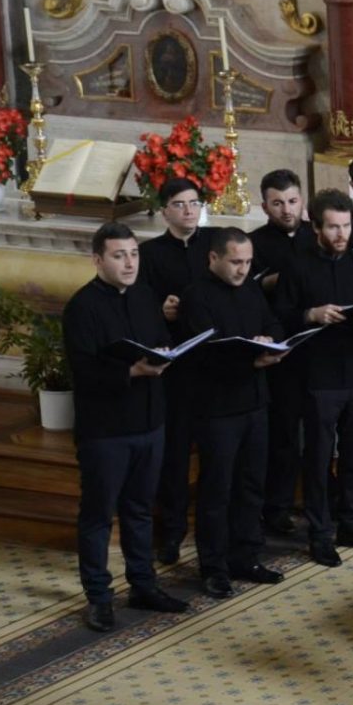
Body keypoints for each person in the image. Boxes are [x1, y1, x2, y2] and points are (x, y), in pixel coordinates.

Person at [63, 223, 191, 631]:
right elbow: (82, 371)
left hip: (150, 422)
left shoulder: (143, 296)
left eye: (134, 254)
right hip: (106, 431)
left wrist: (164, 356)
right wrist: (131, 369)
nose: (129, 262)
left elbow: (155, 340)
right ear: (98, 260)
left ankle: (143, 584)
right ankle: (99, 596)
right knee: (99, 515)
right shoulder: (81, 307)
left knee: (139, 510)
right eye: (119, 255)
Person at [274, 189, 353, 566]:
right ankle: (320, 533)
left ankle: (352, 523)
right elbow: (281, 317)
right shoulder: (296, 265)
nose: (341, 234)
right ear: (316, 227)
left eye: (346, 226)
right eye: (333, 227)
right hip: (318, 375)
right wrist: (311, 315)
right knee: (320, 458)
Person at [180, 228, 289, 598]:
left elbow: (272, 323)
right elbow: (205, 353)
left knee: (251, 485)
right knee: (217, 489)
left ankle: (247, 556)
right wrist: (253, 358)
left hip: (256, 404)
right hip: (217, 410)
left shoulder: (251, 289)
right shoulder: (196, 297)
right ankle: (213, 566)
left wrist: (270, 342)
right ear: (214, 259)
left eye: (247, 262)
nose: (243, 269)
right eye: (235, 262)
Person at [140, 176, 213, 565]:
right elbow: (139, 303)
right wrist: (160, 311)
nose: (189, 210)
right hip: (177, 368)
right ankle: (171, 532)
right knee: (176, 453)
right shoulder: (149, 254)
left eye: (194, 203)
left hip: (214, 360)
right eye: (181, 204)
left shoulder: (216, 245)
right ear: (165, 210)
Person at [249, 170, 315, 536]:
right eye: (278, 203)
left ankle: (322, 499)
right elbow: (251, 290)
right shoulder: (256, 243)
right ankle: (277, 507)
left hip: (316, 345)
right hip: (279, 350)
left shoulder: (313, 234)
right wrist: (283, 277)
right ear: (264, 206)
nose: (287, 210)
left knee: (320, 432)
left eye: (292, 201)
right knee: (285, 435)